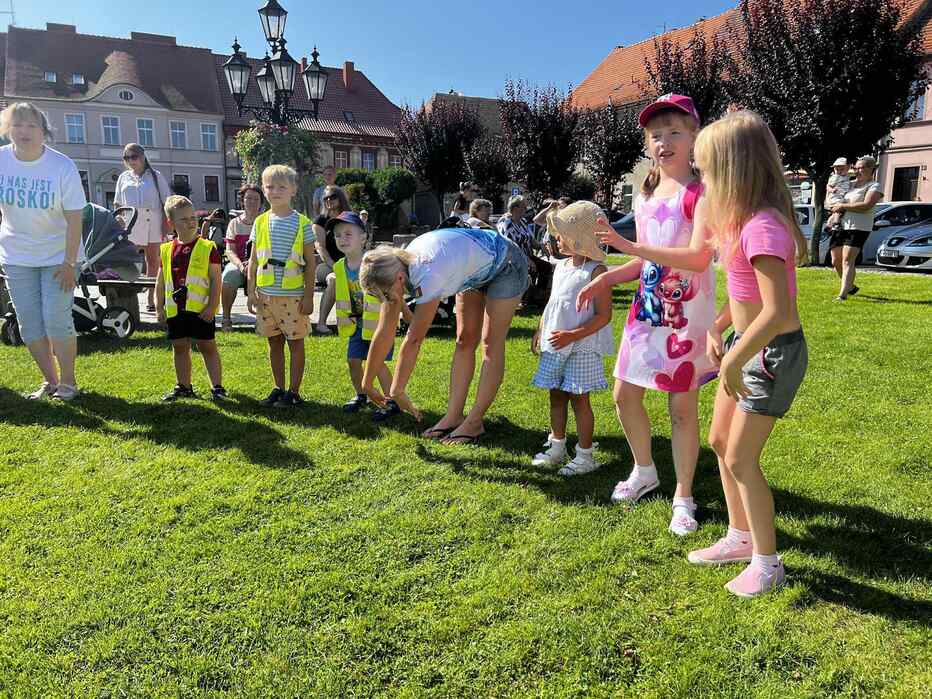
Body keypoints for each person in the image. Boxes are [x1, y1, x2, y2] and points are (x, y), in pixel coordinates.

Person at [601, 110, 808, 597]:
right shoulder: (742, 223)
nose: (703, 179)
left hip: (769, 352)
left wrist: (733, 357)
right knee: (718, 441)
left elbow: (777, 311)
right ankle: (739, 536)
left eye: (708, 168)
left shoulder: (762, 228)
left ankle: (767, 562)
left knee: (741, 459)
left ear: (735, 168)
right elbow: (745, 298)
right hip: (745, 343)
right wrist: (719, 327)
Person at [578, 94, 717, 537]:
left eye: (675, 132)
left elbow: (698, 258)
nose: (664, 142)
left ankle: (684, 496)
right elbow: (645, 262)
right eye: (656, 135)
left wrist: (630, 247)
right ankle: (644, 470)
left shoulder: (702, 192)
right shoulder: (646, 193)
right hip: (646, 313)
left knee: (682, 409)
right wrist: (607, 278)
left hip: (686, 316)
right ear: (646, 143)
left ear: (694, 137)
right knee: (624, 395)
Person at [358, 226, 529, 444]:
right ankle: (453, 416)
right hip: (474, 268)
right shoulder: (396, 268)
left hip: (506, 263)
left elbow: (414, 339)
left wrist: (397, 391)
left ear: (400, 279)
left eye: (384, 295)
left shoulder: (428, 275)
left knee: (490, 344)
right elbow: (384, 330)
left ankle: (474, 422)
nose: (385, 301)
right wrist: (367, 383)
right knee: (465, 339)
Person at [0, 102, 86, 401]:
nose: (23, 131)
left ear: (43, 131)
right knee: (29, 324)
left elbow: (75, 218)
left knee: (56, 319)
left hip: (59, 256)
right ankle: (50, 381)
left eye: (31, 125)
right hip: (16, 257)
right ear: (8, 129)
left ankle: (69, 382)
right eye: (17, 124)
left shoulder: (61, 166)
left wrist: (70, 263)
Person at [530, 201, 614, 476]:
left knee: (579, 398)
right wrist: (541, 329)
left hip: (581, 346)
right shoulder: (562, 267)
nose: (556, 238)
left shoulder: (596, 271)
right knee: (555, 395)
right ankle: (557, 445)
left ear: (580, 238)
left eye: (561, 234)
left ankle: (585, 455)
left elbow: (604, 315)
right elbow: (553, 303)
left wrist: (573, 335)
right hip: (556, 344)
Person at [329, 211, 413, 421]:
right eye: (338, 235)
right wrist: (322, 319)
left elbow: (394, 290)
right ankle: (362, 395)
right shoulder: (338, 267)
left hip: (378, 325)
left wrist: (406, 312)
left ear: (363, 238)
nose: (342, 239)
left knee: (377, 364)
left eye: (348, 234)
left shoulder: (374, 264)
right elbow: (335, 293)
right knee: (353, 360)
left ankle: (391, 401)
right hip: (355, 324)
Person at [246, 165, 316, 408]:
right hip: (265, 297)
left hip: (293, 298)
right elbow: (253, 261)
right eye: (270, 187)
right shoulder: (260, 222)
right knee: (274, 342)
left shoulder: (303, 224)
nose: (275, 191)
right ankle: (279, 387)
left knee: (295, 343)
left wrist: (309, 297)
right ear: (264, 190)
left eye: (282, 187)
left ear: (293, 190)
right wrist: (250, 291)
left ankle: (293, 392)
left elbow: (311, 264)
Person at [156, 195, 226, 402]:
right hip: (175, 311)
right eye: (184, 219)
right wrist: (159, 307)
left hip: (201, 310)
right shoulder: (166, 249)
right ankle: (184, 386)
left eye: (192, 217)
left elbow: (216, 279)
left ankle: (217, 387)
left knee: (207, 347)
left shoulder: (208, 247)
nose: (190, 222)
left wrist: (212, 306)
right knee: (179, 347)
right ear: (171, 223)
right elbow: (160, 281)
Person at [113, 143, 171, 311]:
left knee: (153, 261)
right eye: (127, 157)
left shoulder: (155, 176)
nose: (131, 161)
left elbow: (167, 201)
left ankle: (152, 298)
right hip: (131, 222)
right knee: (127, 260)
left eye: (134, 156)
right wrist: (118, 218)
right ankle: (128, 296)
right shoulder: (123, 177)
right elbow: (117, 202)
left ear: (143, 157)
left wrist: (167, 224)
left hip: (153, 221)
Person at [829, 155, 882, 301]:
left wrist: (843, 206)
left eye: (861, 168)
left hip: (858, 227)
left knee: (847, 260)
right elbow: (834, 193)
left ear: (871, 169)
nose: (857, 171)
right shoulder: (850, 184)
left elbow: (867, 205)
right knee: (835, 260)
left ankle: (842, 295)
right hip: (840, 225)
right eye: (856, 168)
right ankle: (850, 286)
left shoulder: (874, 186)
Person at [220, 185, 264, 331]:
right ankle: (226, 318)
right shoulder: (234, 223)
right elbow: (229, 250)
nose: (252, 202)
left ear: (261, 202)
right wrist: (240, 265)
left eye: (256, 199)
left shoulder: (266, 222)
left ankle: (262, 319)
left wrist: (253, 264)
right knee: (229, 275)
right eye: (248, 198)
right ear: (242, 201)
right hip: (239, 264)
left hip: (261, 263)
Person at [312, 184, 350, 335]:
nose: (328, 200)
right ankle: (321, 323)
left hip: (350, 263)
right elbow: (320, 247)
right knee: (335, 279)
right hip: (326, 266)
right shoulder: (320, 221)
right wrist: (335, 266)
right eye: (325, 198)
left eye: (332, 197)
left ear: (340, 198)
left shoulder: (349, 218)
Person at [499, 194, 553, 301]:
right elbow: (511, 247)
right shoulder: (506, 223)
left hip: (527, 255)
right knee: (531, 268)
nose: (526, 209)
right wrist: (527, 260)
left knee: (546, 266)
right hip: (513, 258)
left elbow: (530, 239)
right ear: (515, 208)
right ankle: (525, 298)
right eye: (524, 206)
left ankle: (538, 295)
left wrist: (541, 246)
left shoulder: (522, 221)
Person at [823, 157, 850, 232]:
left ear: (847, 168)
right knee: (839, 210)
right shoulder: (835, 177)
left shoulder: (846, 177)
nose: (839, 172)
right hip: (835, 198)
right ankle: (836, 223)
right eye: (837, 170)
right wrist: (832, 190)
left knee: (835, 213)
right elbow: (828, 186)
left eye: (842, 169)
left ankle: (829, 225)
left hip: (840, 197)